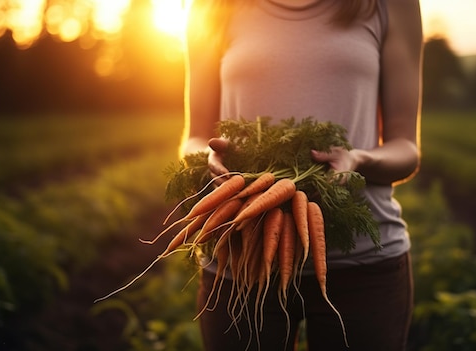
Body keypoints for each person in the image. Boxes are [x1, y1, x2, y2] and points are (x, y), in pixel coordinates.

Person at [179, 0, 423, 349]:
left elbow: (406, 149)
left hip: (363, 265)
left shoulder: (390, 5)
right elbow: (194, 136)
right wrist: (207, 156)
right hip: (243, 254)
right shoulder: (211, 7)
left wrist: (359, 159)